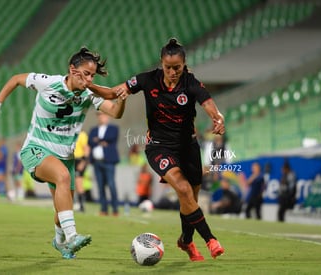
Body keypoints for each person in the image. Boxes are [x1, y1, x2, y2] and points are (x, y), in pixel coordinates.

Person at [87, 38, 225, 261]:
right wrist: (88, 86)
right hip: (159, 147)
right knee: (183, 188)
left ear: (184, 65)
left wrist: (217, 119)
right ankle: (211, 240)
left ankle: (186, 241)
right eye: (168, 67)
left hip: (188, 147)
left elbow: (209, 105)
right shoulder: (147, 79)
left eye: (177, 68)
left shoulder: (190, 83)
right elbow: (114, 92)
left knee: (190, 199)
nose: (172, 72)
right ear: (161, 63)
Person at [0, 47, 126, 259]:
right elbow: (16, 79)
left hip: (65, 157)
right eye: (86, 74)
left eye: (92, 75)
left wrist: (122, 99)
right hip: (37, 148)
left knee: (62, 210)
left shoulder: (88, 95)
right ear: (72, 69)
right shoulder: (48, 82)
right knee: (62, 177)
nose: (89, 79)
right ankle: (72, 237)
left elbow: (115, 112)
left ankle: (60, 241)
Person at [88, 111, 120, 216]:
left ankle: (115, 209)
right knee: (100, 186)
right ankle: (103, 209)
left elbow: (111, 138)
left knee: (111, 185)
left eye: (103, 115)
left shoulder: (113, 128)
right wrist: (101, 141)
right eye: (99, 115)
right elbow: (90, 142)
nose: (101, 117)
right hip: (97, 162)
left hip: (109, 162)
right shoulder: (93, 130)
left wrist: (98, 140)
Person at [74, 130, 89, 212]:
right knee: (71, 184)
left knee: (79, 183)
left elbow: (86, 148)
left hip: (79, 160)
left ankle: (81, 205)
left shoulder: (82, 134)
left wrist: (83, 162)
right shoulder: (71, 133)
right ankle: (75, 203)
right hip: (72, 160)